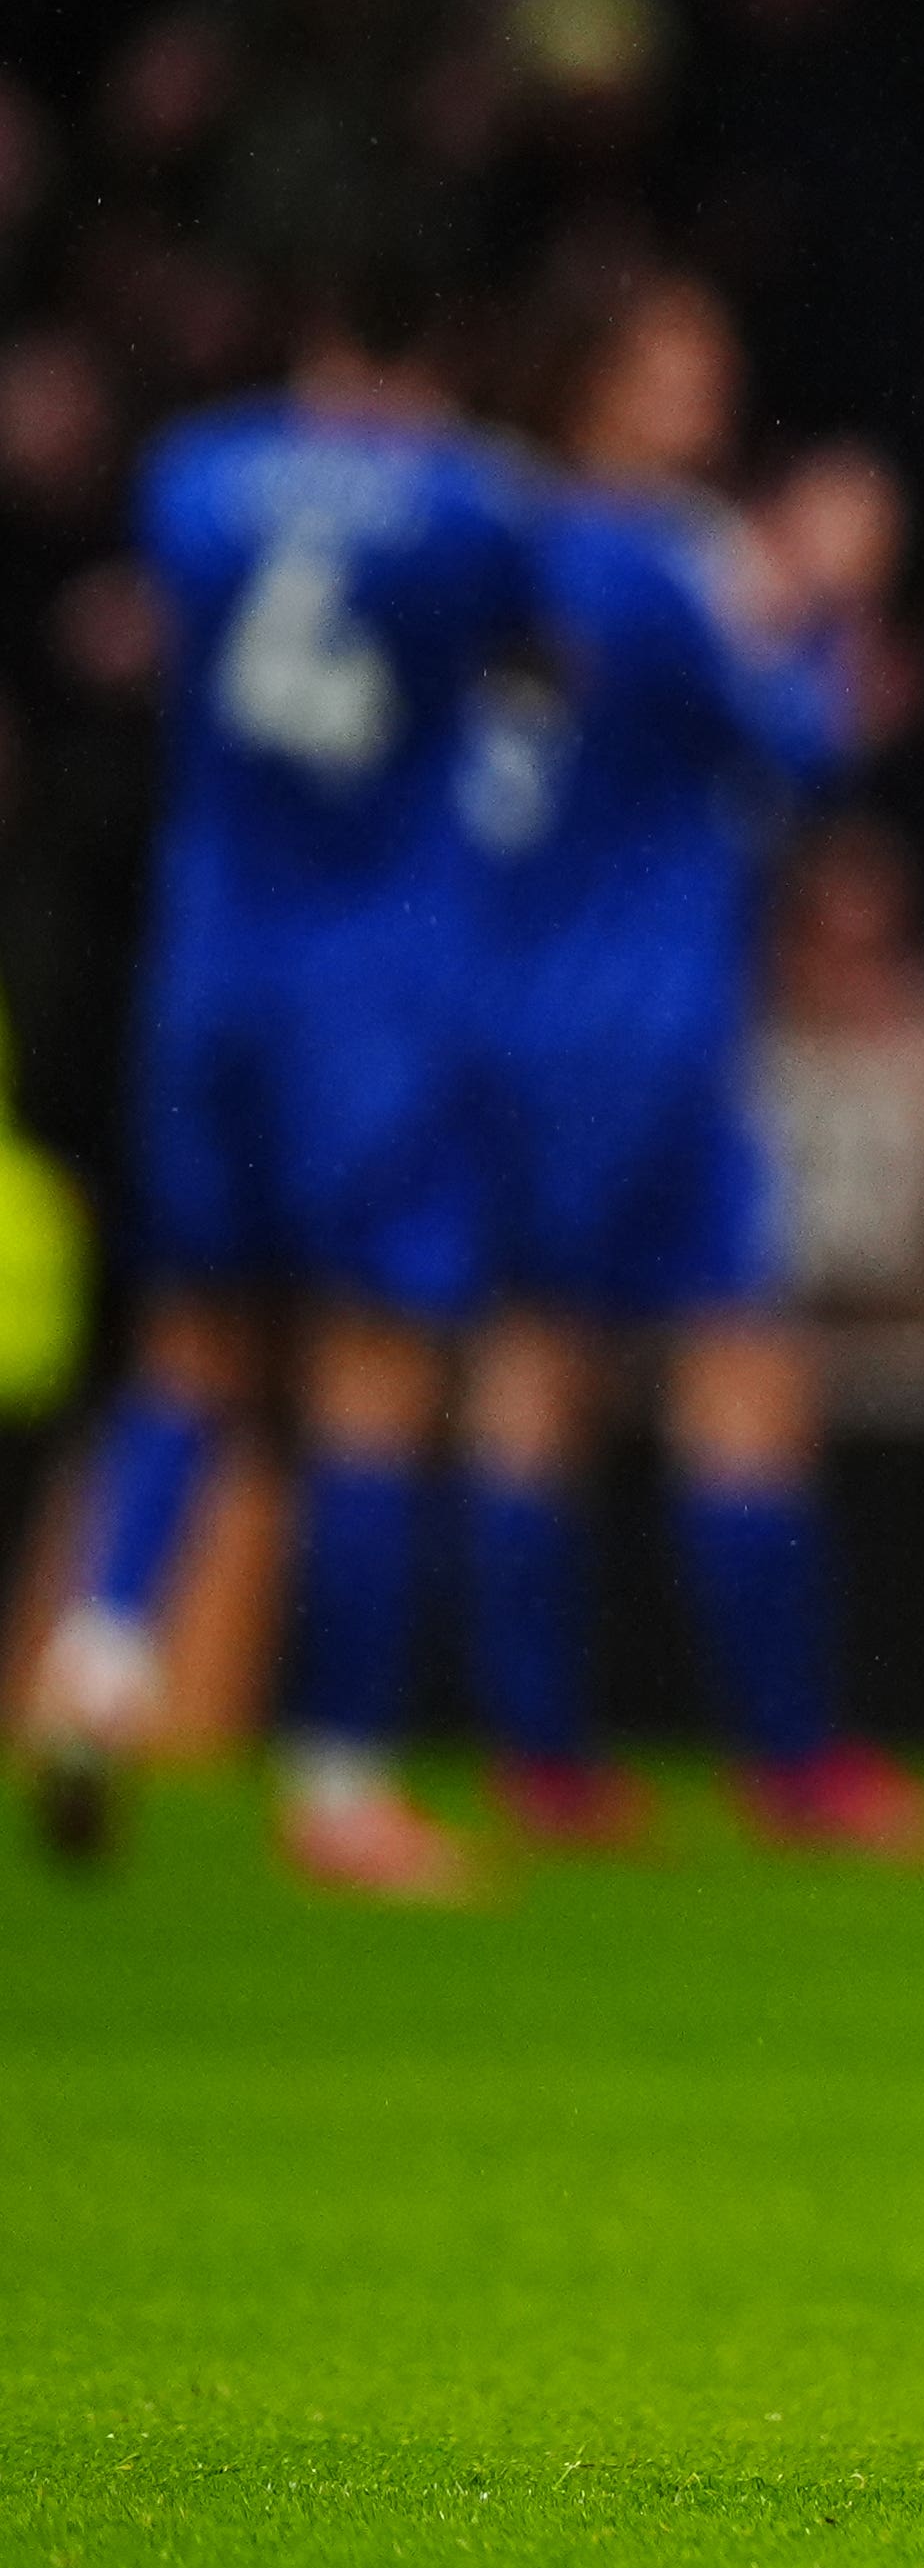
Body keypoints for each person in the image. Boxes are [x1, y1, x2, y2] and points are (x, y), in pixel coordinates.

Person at [16, 243, 532, 1895]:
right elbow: (529, 668)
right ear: (443, 352)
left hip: (210, 974)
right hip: (373, 991)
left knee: (190, 1351)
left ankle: (99, 1660)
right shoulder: (469, 504)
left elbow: (150, 633)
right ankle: (341, 1784)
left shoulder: (199, 473)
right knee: (374, 1379)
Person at [451, 269, 924, 1859]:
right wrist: (839, 590)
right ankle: (781, 1763)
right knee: (701, 1370)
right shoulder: (654, 552)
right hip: (642, 1013)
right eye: (676, 369)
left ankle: (556, 1763)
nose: (709, 398)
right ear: (594, 383)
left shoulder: (503, 543)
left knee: (567, 1369)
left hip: (524, 996)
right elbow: (803, 747)